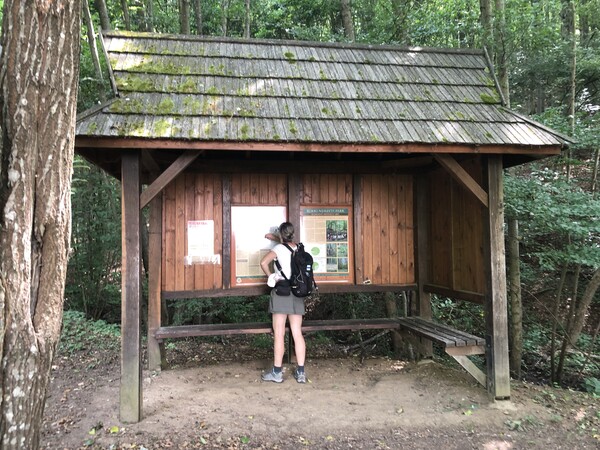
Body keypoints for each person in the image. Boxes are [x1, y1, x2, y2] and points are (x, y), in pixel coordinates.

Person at [260, 222, 307, 383]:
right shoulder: (299, 248)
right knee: (297, 333)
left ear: (280, 234)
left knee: (279, 334)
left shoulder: (278, 249)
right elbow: (287, 245)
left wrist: (271, 276)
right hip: (297, 293)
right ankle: (301, 372)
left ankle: (277, 372)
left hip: (281, 293)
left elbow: (263, 263)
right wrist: (276, 237)